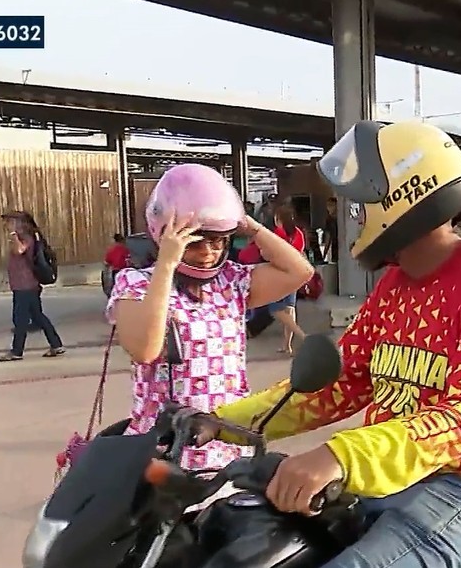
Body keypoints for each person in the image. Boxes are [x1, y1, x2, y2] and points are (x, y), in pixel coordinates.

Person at [194, 121, 461, 568]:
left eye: (362, 202)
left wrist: (341, 454)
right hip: (390, 480)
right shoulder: (394, 285)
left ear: (402, 198)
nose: (354, 214)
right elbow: (341, 383)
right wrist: (215, 422)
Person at [107, 163, 313, 471]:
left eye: (217, 241)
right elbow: (145, 349)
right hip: (165, 450)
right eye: (195, 241)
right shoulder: (135, 284)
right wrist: (166, 263)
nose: (208, 251)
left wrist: (252, 227)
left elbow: (300, 271)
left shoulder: (231, 281)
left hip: (226, 446)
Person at [0, 211, 65, 362]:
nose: (5, 225)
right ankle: (56, 344)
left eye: (8, 222)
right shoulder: (28, 236)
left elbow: (19, 250)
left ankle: (17, 351)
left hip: (25, 285)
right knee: (38, 316)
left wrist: (14, 235)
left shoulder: (26, 237)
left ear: (17, 223)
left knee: (20, 319)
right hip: (26, 284)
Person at [268, 204, 308, 355]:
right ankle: (287, 346)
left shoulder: (277, 233)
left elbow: (271, 253)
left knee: (273, 308)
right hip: (296, 274)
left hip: (280, 273)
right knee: (289, 309)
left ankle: (301, 335)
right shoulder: (298, 233)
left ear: (279, 219)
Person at [322, 196, 339, 264]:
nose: (329, 208)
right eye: (328, 206)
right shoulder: (329, 220)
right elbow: (328, 238)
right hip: (335, 247)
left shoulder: (340, 218)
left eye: (331, 205)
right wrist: (325, 253)